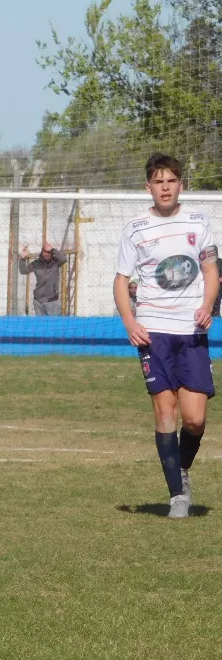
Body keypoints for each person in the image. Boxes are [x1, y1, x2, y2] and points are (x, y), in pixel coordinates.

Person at [115, 152, 219, 520]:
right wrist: (130, 323)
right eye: (158, 182)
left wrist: (208, 305)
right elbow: (121, 281)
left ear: (180, 185)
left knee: (195, 420)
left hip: (191, 331)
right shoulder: (135, 229)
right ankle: (177, 495)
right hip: (153, 331)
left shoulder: (199, 223)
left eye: (171, 181)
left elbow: (211, 270)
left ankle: (182, 468)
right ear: (149, 187)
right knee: (165, 411)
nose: (165, 187)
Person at [18, 242, 68, 315]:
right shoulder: (36, 264)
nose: (46, 254)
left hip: (52, 301)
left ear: (52, 253)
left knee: (54, 322)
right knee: (41, 322)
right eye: (45, 252)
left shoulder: (55, 263)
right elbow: (23, 271)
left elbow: (63, 259)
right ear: (42, 252)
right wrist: (22, 258)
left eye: (48, 252)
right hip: (39, 302)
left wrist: (52, 249)